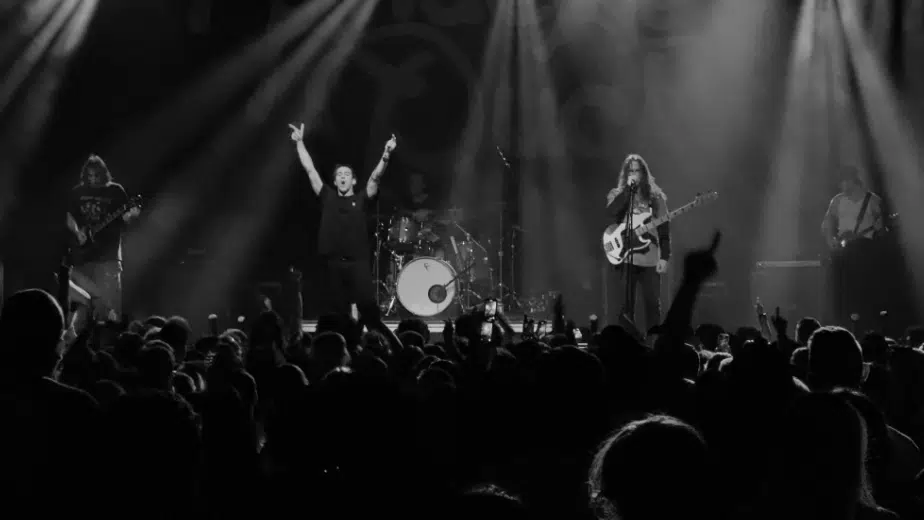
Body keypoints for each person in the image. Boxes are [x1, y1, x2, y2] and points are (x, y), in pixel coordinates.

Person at [289, 123, 397, 317]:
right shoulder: (327, 196)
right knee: (339, 309)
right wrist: (299, 143)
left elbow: (375, 177)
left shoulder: (361, 198)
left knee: (365, 306)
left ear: (353, 180)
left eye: (347, 174)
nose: (343, 177)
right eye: (339, 175)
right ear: (335, 180)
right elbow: (310, 169)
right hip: (334, 261)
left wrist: (385, 155)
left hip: (358, 261)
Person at [65, 154, 140, 322]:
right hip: (82, 258)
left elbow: (124, 220)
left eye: (96, 175)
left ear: (103, 173)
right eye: (90, 175)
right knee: (82, 306)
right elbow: (69, 215)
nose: (93, 179)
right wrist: (78, 232)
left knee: (110, 308)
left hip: (109, 258)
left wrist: (130, 217)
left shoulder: (115, 191)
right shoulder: (78, 192)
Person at [605, 153, 671, 334]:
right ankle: (628, 344)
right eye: (630, 171)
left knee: (652, 305)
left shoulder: (656, 197)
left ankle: (653, 342)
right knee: (625, 307)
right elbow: (610, 214)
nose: (634, 174)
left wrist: (665, 257)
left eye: (637, 171)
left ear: (644, 173)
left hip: (650, 258)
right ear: (625, 174)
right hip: (625, 258)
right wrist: (627, 191)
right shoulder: (617, 194)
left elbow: (664, 229)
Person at [821, 166, 885, 329]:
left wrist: (880, 228)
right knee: (843, 288)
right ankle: (846, 318)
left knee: (864, 288)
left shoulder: (872, 200)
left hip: (866, 249)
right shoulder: (837, 200)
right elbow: (827, 224)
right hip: (845, 249)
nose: (841, 186)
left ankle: (867, 319)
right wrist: (831, 241)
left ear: (851, 180)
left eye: (843, 181)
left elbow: (881, 227)